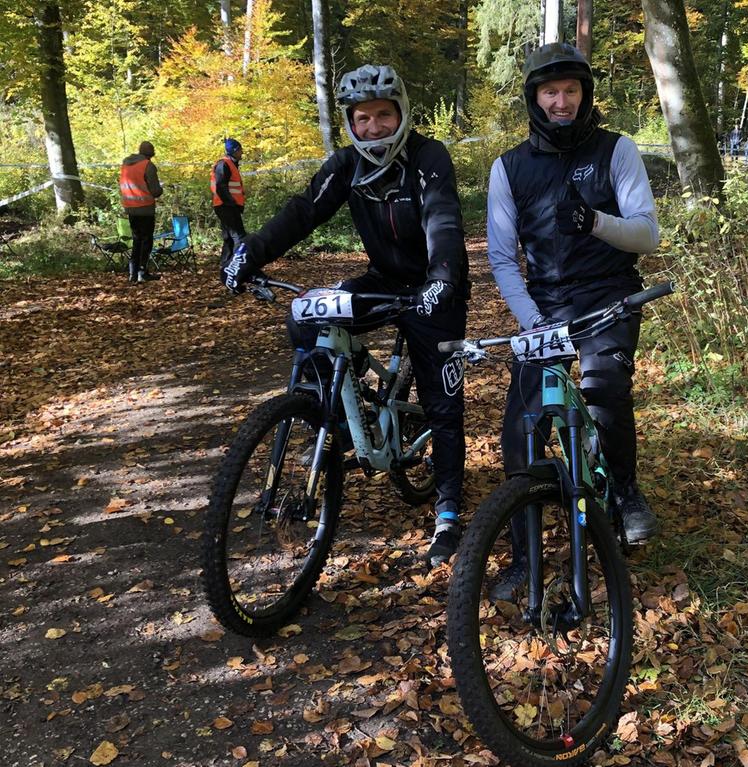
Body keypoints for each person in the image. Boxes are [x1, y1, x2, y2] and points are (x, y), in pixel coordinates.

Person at [220, 64, 470, 568]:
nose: (374, 127)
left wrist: (442, 280)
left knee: (443, 405)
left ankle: (447, 511)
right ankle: (328, 409)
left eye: (384, 115)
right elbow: (302, 211)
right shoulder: (346, 165)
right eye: (363, 118)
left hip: (435, 286)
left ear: (401, 112)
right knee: (306, 318)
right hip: (383, 278)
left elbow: (443, 219)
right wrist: (251, 253)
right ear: (350, 123)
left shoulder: (427, 157)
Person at [486, 42, 660, 593]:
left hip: (611, 295)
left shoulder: (617, 150)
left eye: (570, 91)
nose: (561, 102)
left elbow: (648, 234)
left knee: (603, 383)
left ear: (585, 95)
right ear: (534, 98)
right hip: (546, 306)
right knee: (522, 422)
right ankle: (523, 552)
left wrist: (595, 222)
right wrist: (530, 320)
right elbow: (499, 255)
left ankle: (625, 491)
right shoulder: (509, 167)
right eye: (549, 92)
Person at [119, 140, 163, 283]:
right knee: (146, 240)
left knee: (136, 240)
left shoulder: (126, 164)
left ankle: (132, 273)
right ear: (151, 153)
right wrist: (161, 188)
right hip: (145, 208)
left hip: (130, 207)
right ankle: (142, 272)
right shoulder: (148, 166)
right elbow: (155, 191)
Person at [211, 138, 247, 269]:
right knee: (239, 236)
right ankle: (237, 266)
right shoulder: (224, 164)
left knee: (228, 237)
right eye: (240, 150)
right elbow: (220, 186)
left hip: (226, 206)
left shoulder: (231, 164)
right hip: (226, 206)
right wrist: (231, 203)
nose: (242, 152)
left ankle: (225, 265)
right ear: (234, 150)